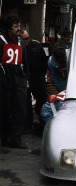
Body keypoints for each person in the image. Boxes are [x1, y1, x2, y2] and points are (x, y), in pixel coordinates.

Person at [0, 16, 29, 149]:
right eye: (16, 26)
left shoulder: (21, 42)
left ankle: (16, 140)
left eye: (19, 26)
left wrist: (26, 79)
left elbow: (25, 62)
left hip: (18, 78)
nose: (19, 29)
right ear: (9, 28)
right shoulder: (1, 40)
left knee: (20, 110)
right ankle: (4, 138)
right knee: (5, 109)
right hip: (5, 77)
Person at [19, 29, 48, 134]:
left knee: (42, 100)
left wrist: (42, 75)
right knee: (26, 103)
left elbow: (44, 61)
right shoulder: (18, 47)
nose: (26, 41)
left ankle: (42, 121)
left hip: (37, 78)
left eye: (27, 39)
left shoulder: (36, 45)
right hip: (25, 79)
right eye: (24, 39)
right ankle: (27, 125)